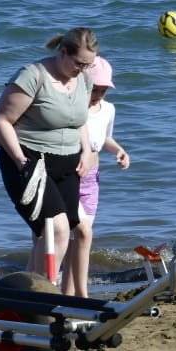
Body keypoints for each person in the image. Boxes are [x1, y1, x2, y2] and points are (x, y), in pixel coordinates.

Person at [0, 27, 99, 280]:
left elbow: (78, 120)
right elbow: (2, 121)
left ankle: (30, 287)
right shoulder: (32, 76)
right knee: (57, 230)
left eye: (88, 64)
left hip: (68, 164)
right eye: (79, 63)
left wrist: (86, 150)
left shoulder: (84, 79)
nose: (83, 69)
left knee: (55, 232)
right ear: (63, 52)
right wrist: (22, 162)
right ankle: (44, 290)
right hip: (30, 163)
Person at [65, 56, 132, 296]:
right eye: (95, 89)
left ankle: (68, 294)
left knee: (79, 241)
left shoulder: (108, 110)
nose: (99, 95)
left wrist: (120, 151)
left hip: (91, 179)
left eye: (103, 90)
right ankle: (82, 295)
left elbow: (104, 139)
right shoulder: (73, 108)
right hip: (69, 176)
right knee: (81, 232)